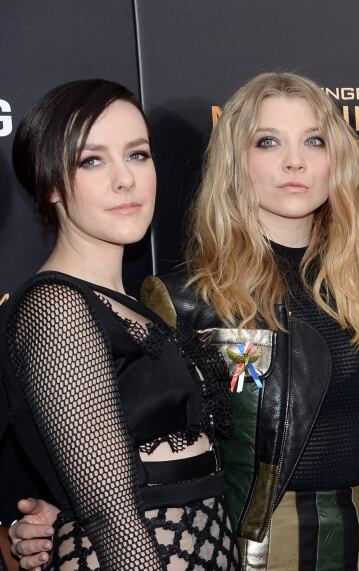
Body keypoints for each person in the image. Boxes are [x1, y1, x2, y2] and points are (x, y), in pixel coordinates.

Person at [9, 72, 359, 571]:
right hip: (246, 549)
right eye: (268, 142)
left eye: (314, 140)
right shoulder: (181, 301)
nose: (294, 161)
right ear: (236, 162)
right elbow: (109, 457)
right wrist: (53, 516)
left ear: (339, 160)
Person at [0, 79, 239, 570]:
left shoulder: (134, 307)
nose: (125, 179)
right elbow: (112, 517)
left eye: (137, 155)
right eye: (92, 160)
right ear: (48, 182)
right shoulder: (55, 307)